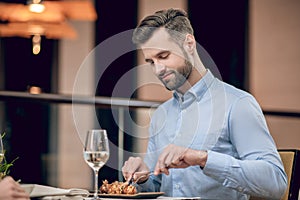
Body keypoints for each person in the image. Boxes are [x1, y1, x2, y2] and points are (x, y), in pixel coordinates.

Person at [121, 8, 287, 199]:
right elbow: (156, 186)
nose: (158, 69)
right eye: (151, 61)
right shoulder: (160, 115)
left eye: (164, 56)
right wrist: (142, 178)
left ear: (189, 44)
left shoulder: (238, 104)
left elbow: (276, 183)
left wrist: (204, 159)